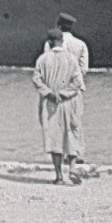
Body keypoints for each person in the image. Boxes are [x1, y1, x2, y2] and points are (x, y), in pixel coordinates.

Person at [33, 28, 85, 185]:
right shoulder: (71, 59)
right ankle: (73, 168)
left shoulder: (42, 59)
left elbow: (36, 80)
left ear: (49, 42)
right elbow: (77, 82)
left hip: (51, 103)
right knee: (71, 134)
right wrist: (64, 93)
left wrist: (49, 93)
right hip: (68, 102)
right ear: (62, 41)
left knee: (54, 138)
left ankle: (59, 176)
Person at [44, 13, 88, 164]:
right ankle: (77, 154)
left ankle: (60, 154)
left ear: (59, 25)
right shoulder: (81, 44)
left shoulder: (49, 44)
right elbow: (84, 70)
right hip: (75, 90)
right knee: (75, 122)